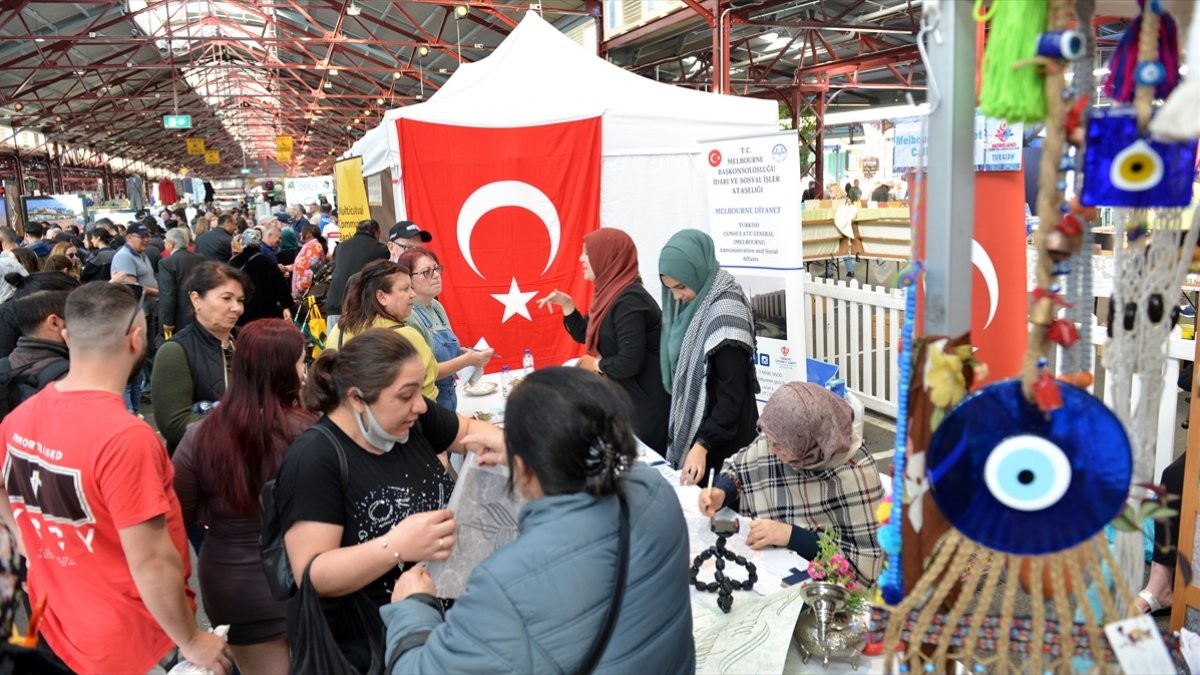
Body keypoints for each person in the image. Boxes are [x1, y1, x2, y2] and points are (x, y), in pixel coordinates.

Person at [381, 367, 694, 673]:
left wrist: (413, 608)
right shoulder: (655, 489)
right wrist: (530, 455)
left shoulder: (505, 583)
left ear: (524, 469)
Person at [0, 282, 232, 674]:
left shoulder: (20, 417)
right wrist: (192, 640)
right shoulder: (125, 437)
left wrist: (25, 538)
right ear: (137, 339)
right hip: (130, 641)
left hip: (60, 621)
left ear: (67, 336)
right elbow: (151, 560)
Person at [275, 328, 499, 669]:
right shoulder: (314, 459)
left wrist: (504, 447)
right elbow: (313, 573)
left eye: (420, 390)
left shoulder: (413, 421)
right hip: (375, 646)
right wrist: (396, 545)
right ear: (357, 399)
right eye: (406, 395)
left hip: (447, 628)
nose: (420, 405)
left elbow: (468, 431)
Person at [173, 319, 317, 674]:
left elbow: (177, 511)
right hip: (302, 574)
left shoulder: (199, 436)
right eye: (302, 362)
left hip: (230, 579)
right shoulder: (310, 432)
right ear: (285, 369)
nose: (305, 371)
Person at [699, 383, 884, 583]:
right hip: (771, 568)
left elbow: (861, 568)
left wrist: (789, 535)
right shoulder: (781, 435)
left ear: (808, 444)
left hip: (819, 589)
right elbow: (739, 469)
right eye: (769, 440)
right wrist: (722, 492)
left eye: (778, 446)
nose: (770, 450)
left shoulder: (856, 475)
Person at [535, 228, 670, 451]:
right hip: (628, 398)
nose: (581, 259)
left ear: (607, 257)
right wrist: (568, 305)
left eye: (587, 253)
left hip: (646, 406)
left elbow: (629, 362)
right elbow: (584, 333)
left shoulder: (630, 300)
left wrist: (595, 364)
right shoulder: (610, 293)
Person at [658, 229, 758, 485]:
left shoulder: (726, 313)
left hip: (724, 441)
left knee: (720, 502)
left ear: (698, 271)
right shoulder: (699, 303)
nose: (676, 297)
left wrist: (703, 444)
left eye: (681, 287)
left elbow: (731, 393)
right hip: (705, 433)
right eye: (670, 289)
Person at [151, 262, 250, 454]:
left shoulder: (248, 341)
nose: (237, 308)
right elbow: (175, 425)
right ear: (196, 299)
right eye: (226, 298)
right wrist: (248, 422)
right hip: (202, 460)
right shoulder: (175, 351)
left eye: (240, 300)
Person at [326, 259, 439, 400]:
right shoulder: (406, 336)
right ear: (381, 296)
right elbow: (427, 395)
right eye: (405, 289)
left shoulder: (339, 330)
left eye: (411, 287)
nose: (413, 294)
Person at [399, 247, 492, 412]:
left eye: (436, 269)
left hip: (450, 397)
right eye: (426, 272)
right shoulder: (410, 315)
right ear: (409, 280)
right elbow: (426, 372)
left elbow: (446, 350)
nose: (436, 275)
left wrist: (466, 353)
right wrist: (468, 360)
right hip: (429, 403)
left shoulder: (436, 306)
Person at [324, 219, 387, 326]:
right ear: (377, 232)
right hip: (359, 307)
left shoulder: (340, 247)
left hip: (335, 303)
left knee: (334, 337)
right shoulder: (381, 249)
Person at [230, 229, 292, 325]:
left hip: (242, 311)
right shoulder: (268, 262)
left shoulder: (234, 262)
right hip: (266, 312)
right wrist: (286, 306)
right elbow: (280, 286)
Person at [159, 226, 203, 337]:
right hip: (200, 311)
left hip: (179, 317)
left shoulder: (166, 263)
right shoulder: (200, 259)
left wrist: (167, 321)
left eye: (165, 241)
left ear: (171, 243)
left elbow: (168, 293)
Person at [290, 223, 325, 301]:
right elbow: (300, 264)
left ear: (309, 234)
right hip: (302, 290)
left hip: (306, 290)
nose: (300, 233)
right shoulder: (308, 246)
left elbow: (310, 269)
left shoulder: (315, 246)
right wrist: (286, 268)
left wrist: (302, 287)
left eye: (302, 231)